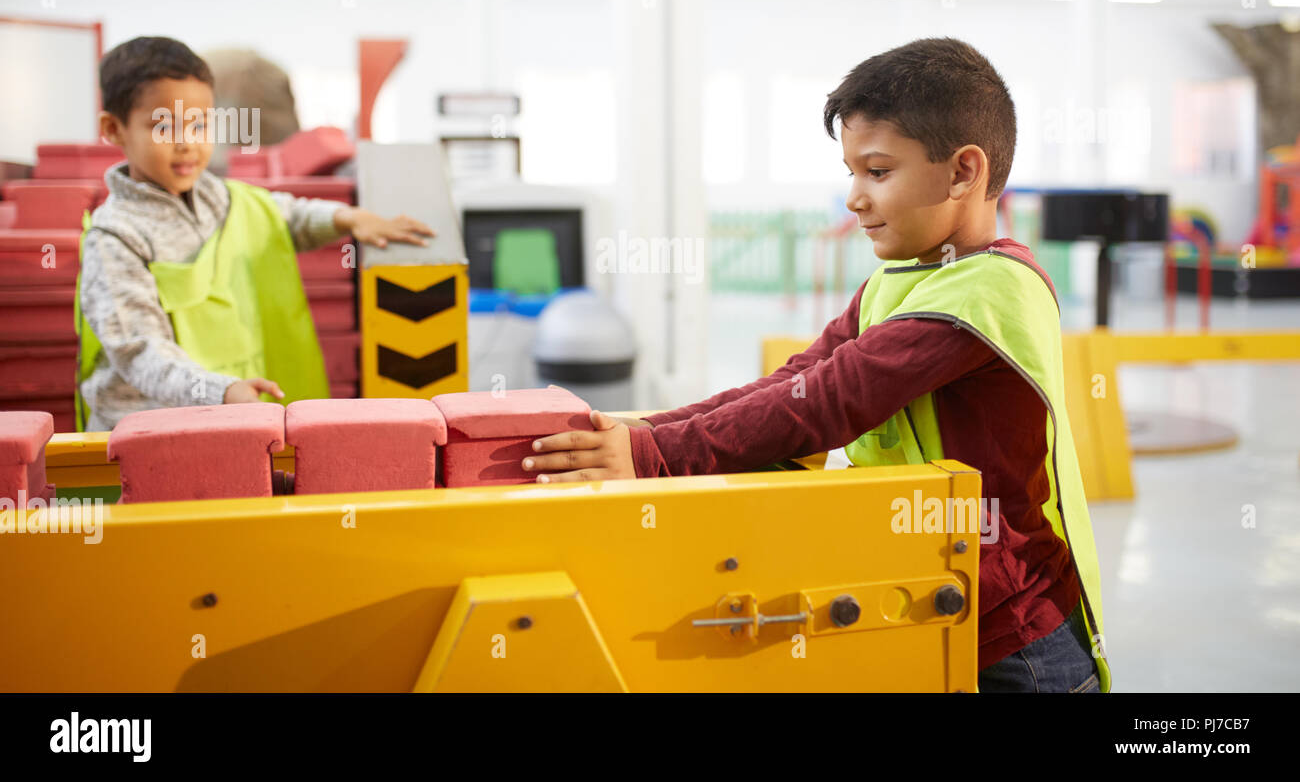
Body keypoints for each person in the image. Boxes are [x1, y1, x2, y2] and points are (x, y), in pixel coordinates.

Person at [523, 37, 1110, 693]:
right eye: (851, 172)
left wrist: (655, 453)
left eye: (878, 172)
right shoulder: (900, 281)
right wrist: (650, 432)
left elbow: (827, 401)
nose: (855, 198)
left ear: (963, 172)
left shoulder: (991, 289)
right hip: (933, 601)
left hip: (1017, 642)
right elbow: (792, 380)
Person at [75, 36, 433, 431]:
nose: (187, 143)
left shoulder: (223, 199)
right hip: (145, 437)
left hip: (227, 421)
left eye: (199, 123)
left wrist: (349, 218)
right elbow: (142, 353)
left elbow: (284, 215)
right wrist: (219, 392)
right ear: (113, 128)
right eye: (164, 126)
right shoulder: (115, 238)